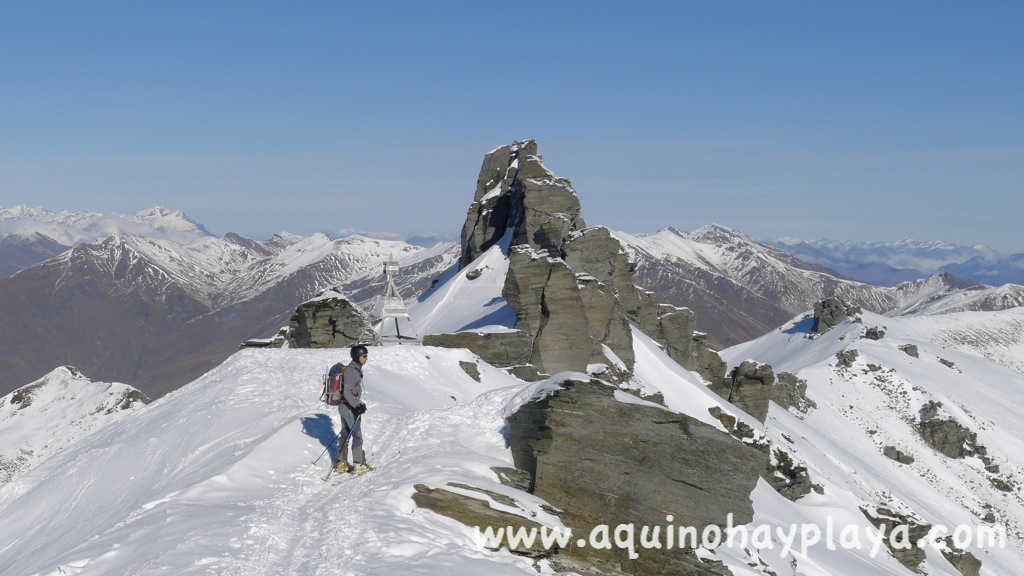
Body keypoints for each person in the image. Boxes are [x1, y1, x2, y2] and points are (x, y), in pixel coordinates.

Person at [336, 344, 371, 474]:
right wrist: (357, 406)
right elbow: (347, 391)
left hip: (345, 406)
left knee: (345, 434)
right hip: (349, 408)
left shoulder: (354, 369)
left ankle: (341, 464)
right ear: (357, 357)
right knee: (357, 435)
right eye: (364, 356)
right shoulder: (351, 371)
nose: (366, 358)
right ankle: (358, 464)